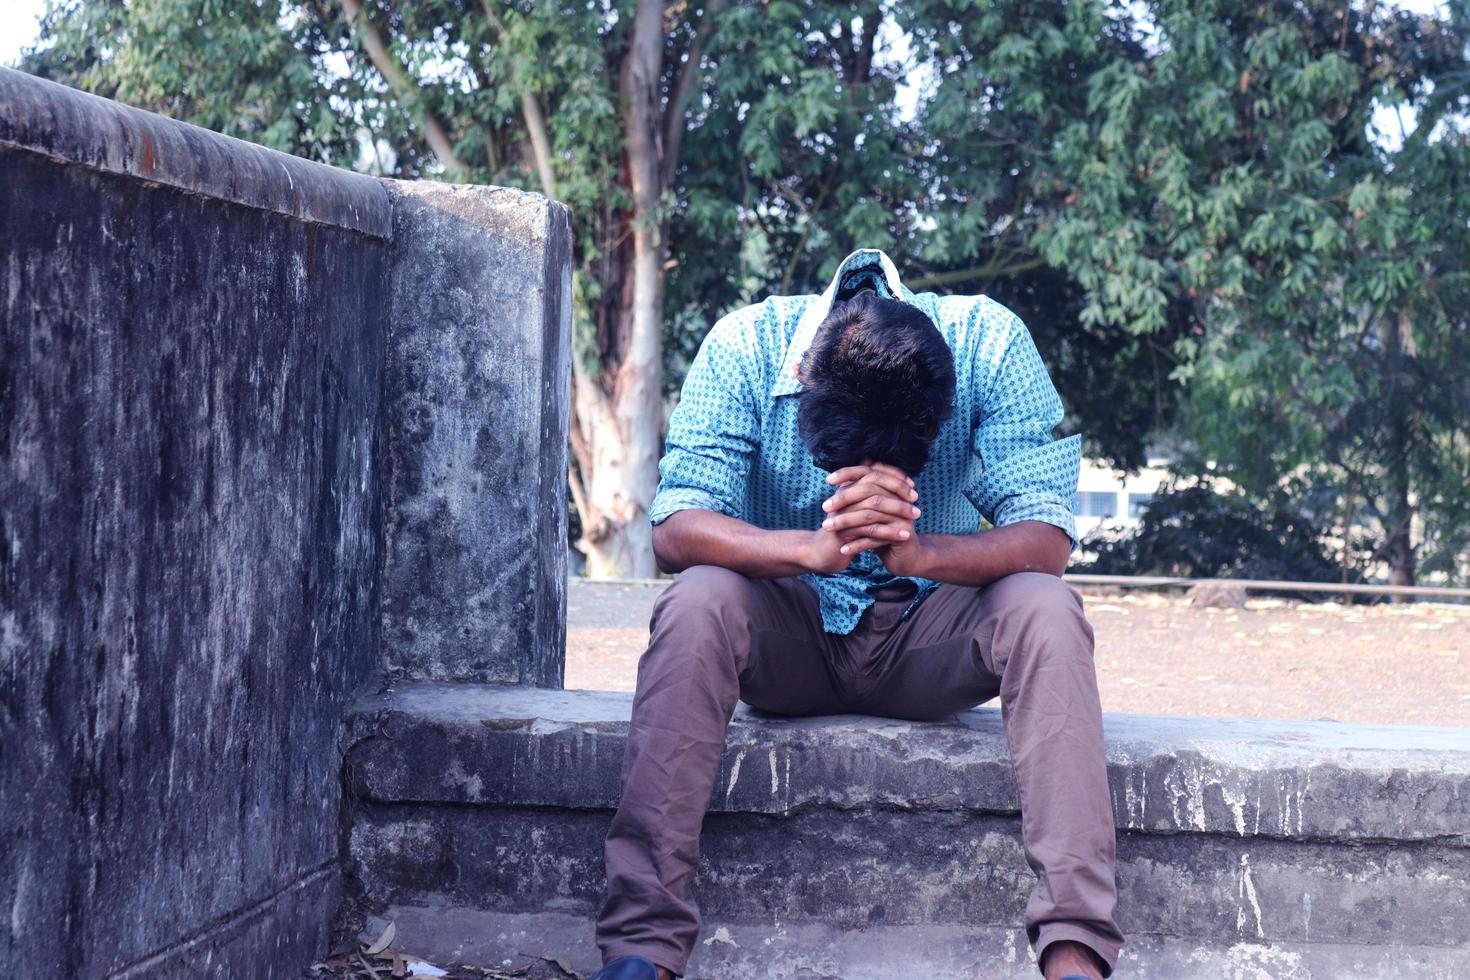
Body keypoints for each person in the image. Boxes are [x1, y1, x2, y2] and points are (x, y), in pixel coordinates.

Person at [589, 248, 1123, 980]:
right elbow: (678, 525)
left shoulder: (990, 343)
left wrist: (920, 554)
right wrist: (812, 549)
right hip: (793, 633)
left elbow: (1047, 538)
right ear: (804, 380)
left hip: (929, 634)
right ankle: (640, 949)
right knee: (697, 599)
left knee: (1047, 607)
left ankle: (1075, 955)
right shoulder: (745, 345)